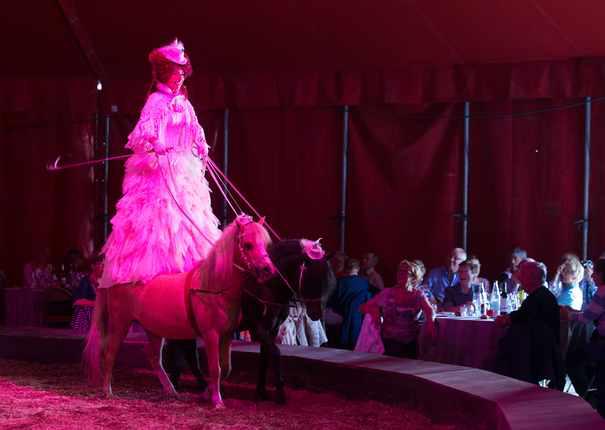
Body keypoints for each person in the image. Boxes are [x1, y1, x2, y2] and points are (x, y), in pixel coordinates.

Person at [100, 39, 221, 289]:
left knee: (189, 219)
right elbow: (142, 132)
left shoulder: (183, 103)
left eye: (182, 72)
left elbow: (195, 129)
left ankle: (190, 278)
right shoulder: (156, 101)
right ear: (166, 73)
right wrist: (156, 142)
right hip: (159, 171)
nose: (181, 77)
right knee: (160, 221)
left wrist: (201, 144)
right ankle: (157, 283)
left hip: (183, 170)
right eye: (177, 72)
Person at [495, 260, 563, 387]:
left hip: (537, 354)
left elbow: (520, 317)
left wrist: (505, 319)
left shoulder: (537, 297)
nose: (520, 279)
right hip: (543, 350)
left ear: (531, 278)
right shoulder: (542, 295)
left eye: (523, 275)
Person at [360, 260, 434, 358]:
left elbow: (430, 311)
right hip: (389, 342)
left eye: (405, 272)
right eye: (399, 271)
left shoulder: (417, 295)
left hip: (410, 343)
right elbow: (364, 307)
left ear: (413, 277)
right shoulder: (387, 293)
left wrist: (430, 326)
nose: (400, 274)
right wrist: (376, 313)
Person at [564, 258, 605, 416]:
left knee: (572, 361)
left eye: (596, 273)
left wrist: (568, 315)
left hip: (602, 345)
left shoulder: (602, 291)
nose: (592, 276)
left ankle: (589, 400)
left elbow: (587, 317)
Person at [327, 258, 371, 349]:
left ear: (345, 268)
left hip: (339, 322)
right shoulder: (365, 283)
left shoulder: (339, 282)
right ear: (358, 269)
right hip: (358, 322)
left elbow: (332, 302)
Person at [70, 255, 103, 333]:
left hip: (99, 310)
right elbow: (79, 301)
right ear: (93, 266)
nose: (103, 268)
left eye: (104, 265)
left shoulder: (104, 281)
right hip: (88, 310)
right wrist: (97, 304)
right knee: (85, 309)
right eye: (101, 265)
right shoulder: (85, 281)